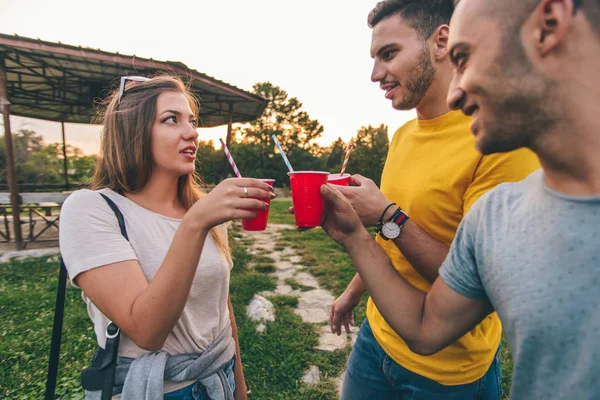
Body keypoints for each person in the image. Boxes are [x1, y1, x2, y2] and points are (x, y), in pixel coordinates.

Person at [318, 0, 600, 398]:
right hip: (377, 337)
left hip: (450, 377)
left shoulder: (502, 155)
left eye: (464, 57)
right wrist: (357, 247)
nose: (456, 94)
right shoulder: (491, 208)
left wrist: (386, 216)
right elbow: (424, 324)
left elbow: (445, 274)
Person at [59, 75, 275, 399]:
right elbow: (147, 330)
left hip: (221, 379)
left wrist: (240, 389)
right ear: (132, 131)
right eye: (171, 120)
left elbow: (221, 310)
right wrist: (195, 224)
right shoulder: (91, 209)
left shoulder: (202, 209)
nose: (191, 133)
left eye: (192, 120)